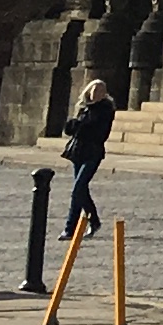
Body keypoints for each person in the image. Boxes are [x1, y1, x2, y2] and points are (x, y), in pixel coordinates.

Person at [62, 78, 118, 237]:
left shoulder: (105, 110)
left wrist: (80, 127)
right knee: (81, 190)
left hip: (93, 153)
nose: (97, 93)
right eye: (95, 90)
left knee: (78, 188)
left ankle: (70, 228)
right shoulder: (83, 108)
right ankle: (94, 221)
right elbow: (72, 129)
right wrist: (75, 126)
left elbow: (98, 132)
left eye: (101, 90)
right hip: (79, 152)